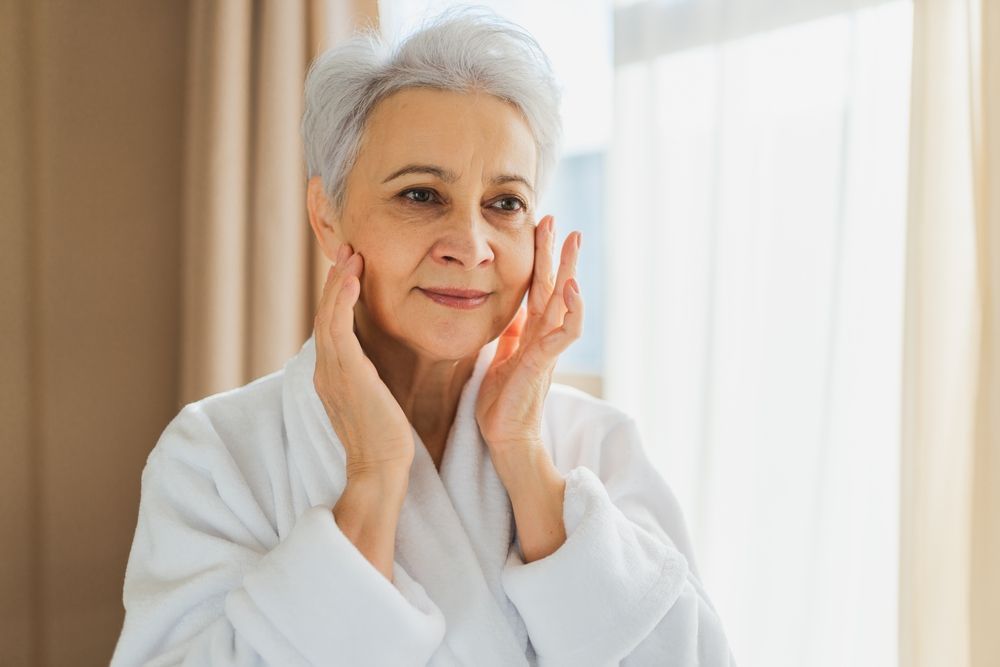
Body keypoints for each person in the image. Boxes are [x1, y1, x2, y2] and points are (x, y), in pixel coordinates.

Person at [110, 5, 736, 666]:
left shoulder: (596, 446)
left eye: (504, 203)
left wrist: (523, 455)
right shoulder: (216, 458)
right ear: (327, 218)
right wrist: (374, 479)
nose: (471, 246)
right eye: (420, 195)